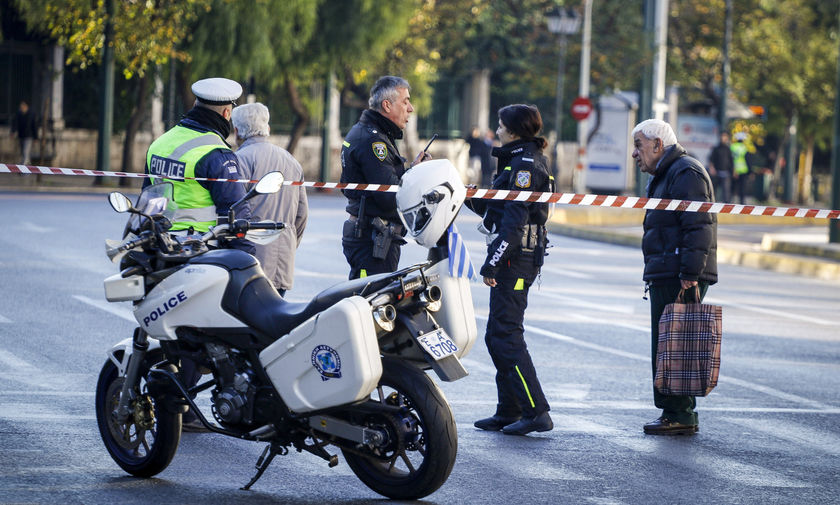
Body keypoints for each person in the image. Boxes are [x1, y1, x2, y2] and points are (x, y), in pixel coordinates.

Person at [144, 77, 253, 432]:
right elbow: (237, 217)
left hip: (160, 252)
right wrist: (247, 265)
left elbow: (150, 200)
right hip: (198, 254)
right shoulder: (217, 154)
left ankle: (170, 405)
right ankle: (185, 408)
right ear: (226, 111)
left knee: (171, 329)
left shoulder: (161, 143)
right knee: (198, 334)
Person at [467, 104, 553, 436]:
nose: (497, 130)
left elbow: (515, 226)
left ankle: (536, 411)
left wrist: (492, 262)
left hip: (517, 258)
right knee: (497, 335)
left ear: (514, 132)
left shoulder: (525, 165)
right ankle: (509, 410)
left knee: (505, 334)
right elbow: (494, 208)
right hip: (514, 256)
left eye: (501, 126)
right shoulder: (516, 160)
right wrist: (457, 192)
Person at [631, 118, 717, 436]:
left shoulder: (685, 172)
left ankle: (680, 413)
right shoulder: (669, 173)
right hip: (671, 271)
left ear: (658, 145)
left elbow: (699, 225)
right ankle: (676, 411)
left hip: (680, 273)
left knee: (676, 344)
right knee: (670, 343)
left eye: (638, 146)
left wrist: (689, 273)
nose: (634, 154)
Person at [339, 75, 430, 280]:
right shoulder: (374, 140)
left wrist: (413, 170)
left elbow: (386, 183)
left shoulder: (374, 133)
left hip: (375, 237)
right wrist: (416, 179)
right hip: (372, 240)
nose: (411, 108)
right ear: (387, 105)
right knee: (370, 303)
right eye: (405, 101)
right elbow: (389, 195)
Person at [232, 102, 308, 297]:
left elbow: (234, 210)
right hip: (283, 260)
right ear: (267, 128)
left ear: (237, 131)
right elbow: (301, 216)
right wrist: (287, 243)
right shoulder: (291, 161)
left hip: (250, 262)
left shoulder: (239, 160)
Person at [707, 131, 733, 203]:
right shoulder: (716, 148)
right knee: (713, 190)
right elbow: (711, 159)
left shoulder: (728, 149)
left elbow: (731, 161)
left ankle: (727, 206)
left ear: (727, 138)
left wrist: (733, 171)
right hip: (717, 173)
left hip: (726, 173)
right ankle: (713, 204)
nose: (723, 138)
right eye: (722, 136)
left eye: (725, 136)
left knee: (726, 191)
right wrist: (712, 168)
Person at [731, 131, 750, 204]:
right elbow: (747, 159)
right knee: (742, 188)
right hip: (743, 170)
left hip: (734, 170)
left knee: (733, 188)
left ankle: (731, 202)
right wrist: (750, 171)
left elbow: (731, 159)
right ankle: (742, 203)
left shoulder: (732, 146)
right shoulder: (744, 148)